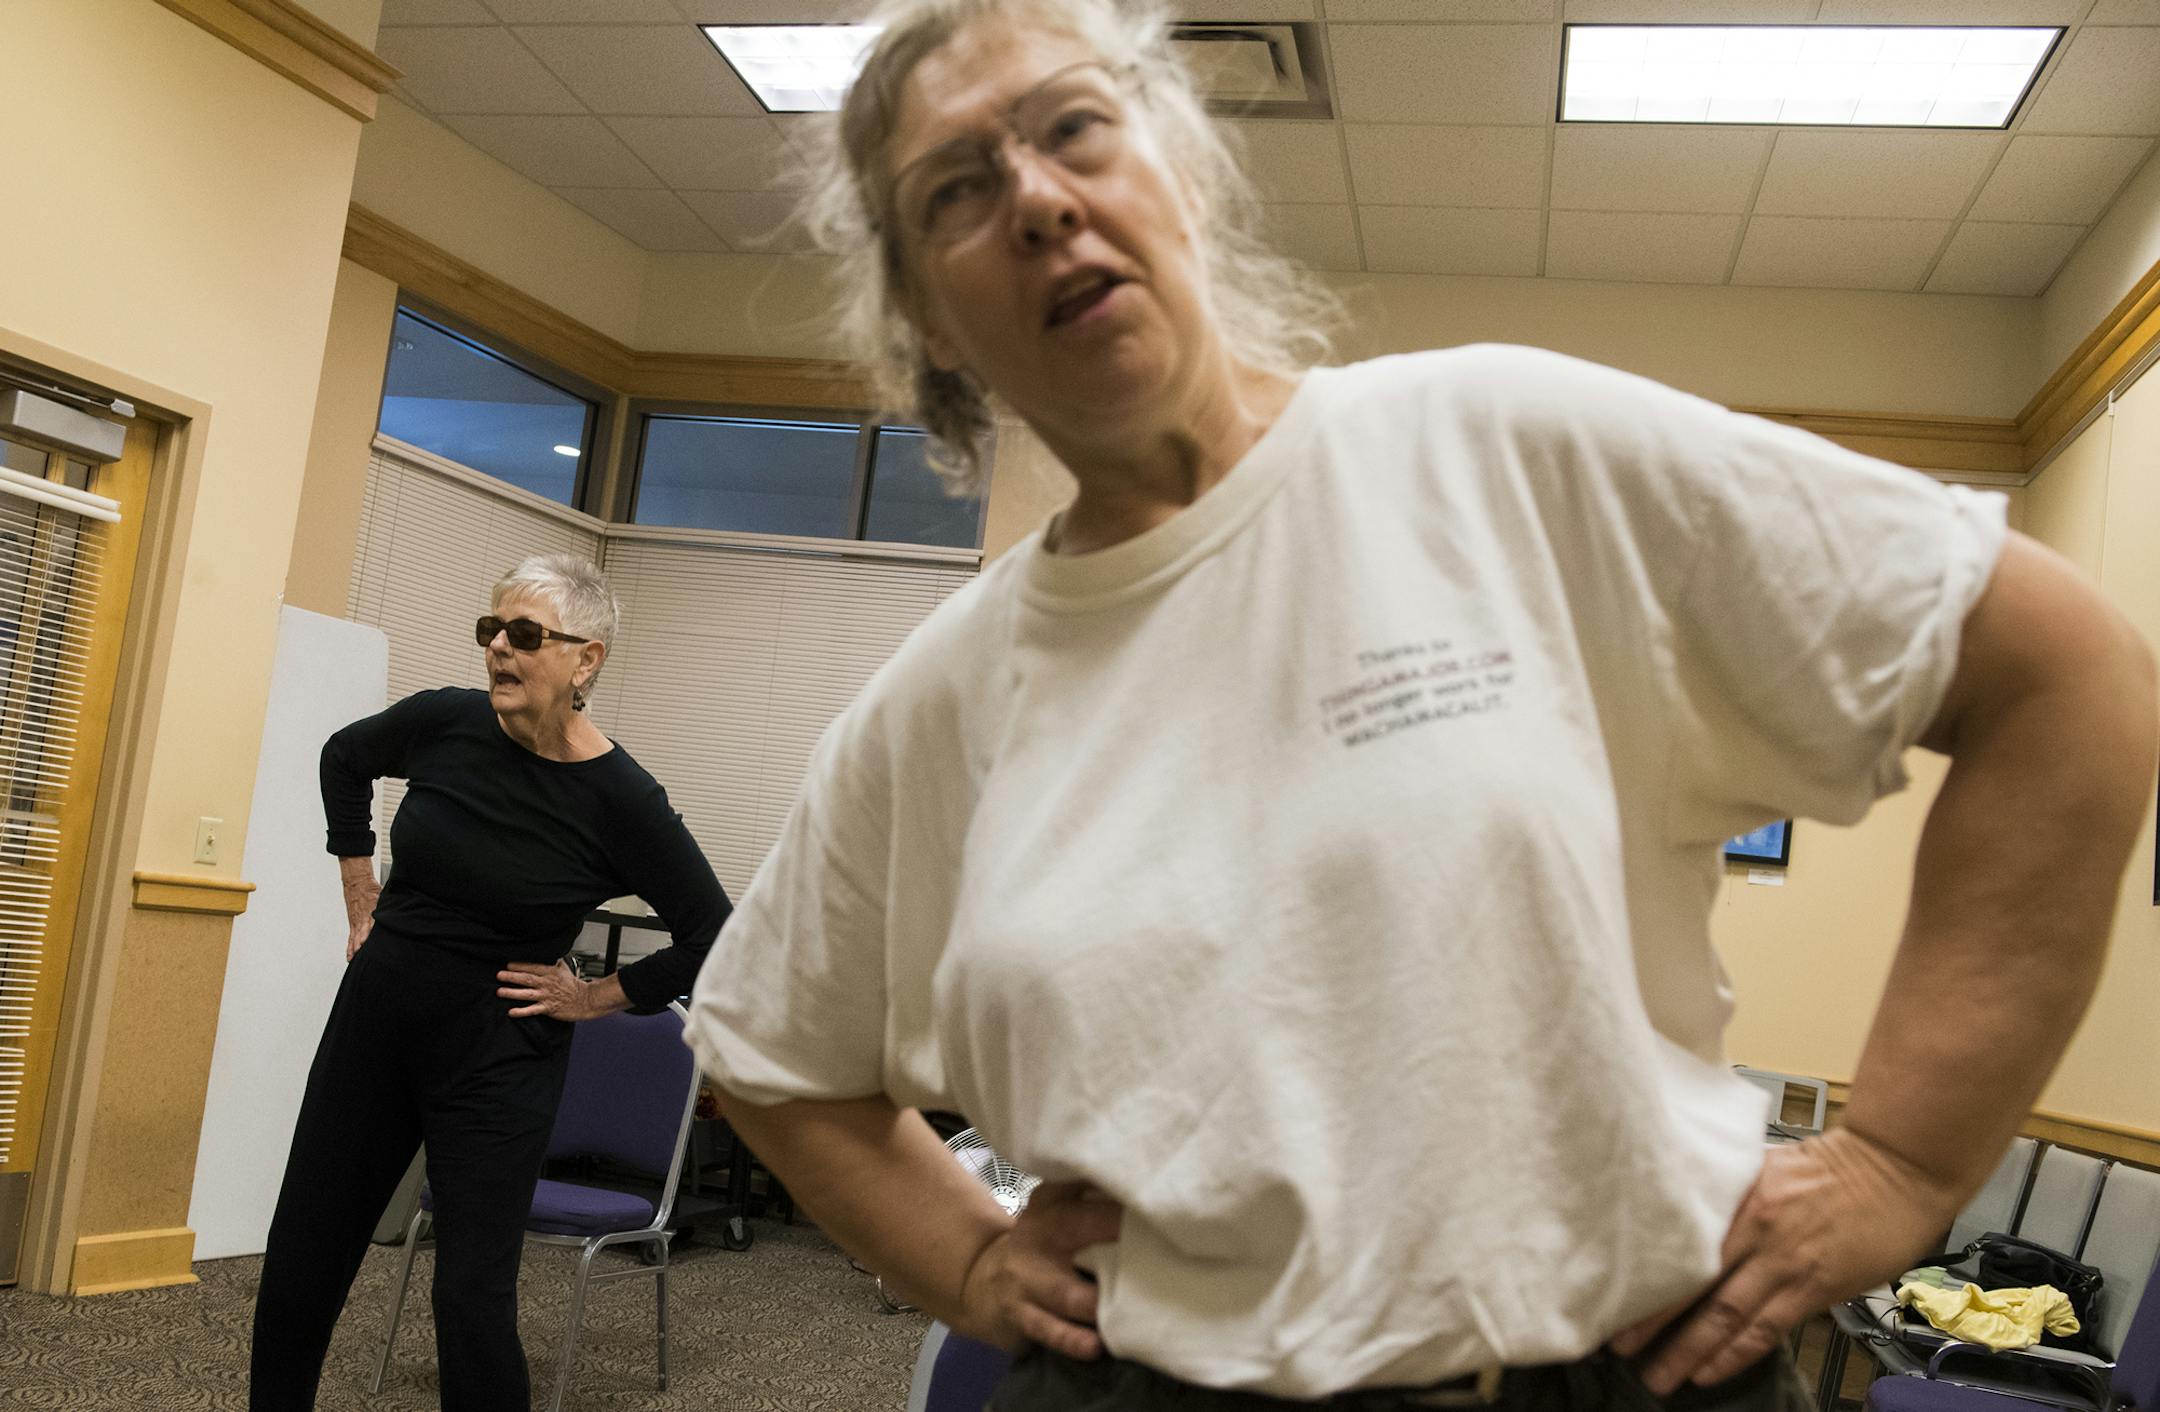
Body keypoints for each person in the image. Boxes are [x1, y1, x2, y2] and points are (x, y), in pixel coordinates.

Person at [684, 1, 2159, 1408]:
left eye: (1073, 128)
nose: (1037, 200)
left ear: (1181, 169)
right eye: (954, 192)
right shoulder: (940, 703)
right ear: (924, 319)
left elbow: (2070, 677)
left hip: (1613, 1380)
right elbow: (768, 1054)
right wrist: (969, 1259)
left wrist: (1900, 1163)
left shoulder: (1502, 447)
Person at [251, 553, 730, 1412]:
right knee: (303, 1258)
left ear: (587, 660)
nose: (499, 650)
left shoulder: (622, 800)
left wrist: (595, 997)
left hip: (499, 1053)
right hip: (378, 1022)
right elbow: (342, 757)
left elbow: (713, 934)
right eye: (491, 630)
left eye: (525, 635)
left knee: (469, 1300)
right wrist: (359, 891)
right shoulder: (445, 722)